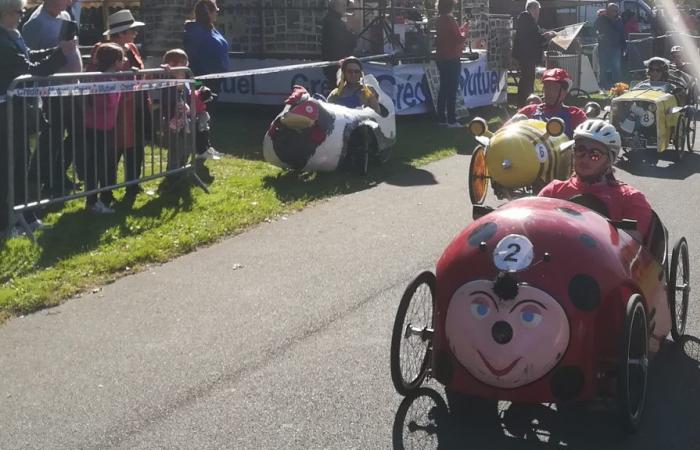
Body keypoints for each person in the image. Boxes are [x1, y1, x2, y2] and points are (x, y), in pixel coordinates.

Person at [0, 0, 74, 235]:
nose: (22, 16)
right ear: (4, 13)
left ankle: (25, 216)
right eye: (18, 12)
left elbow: (31, 55)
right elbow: (29, 70)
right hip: (8, 113)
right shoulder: (3, 41)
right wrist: (60, 54)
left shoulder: (12, 35)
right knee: (8, 168)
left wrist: (57, 50)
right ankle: (5, 223)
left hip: (21, 111)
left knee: (21, 164)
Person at [539, 119, 652, 241]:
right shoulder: (553, 191)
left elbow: (630, 249)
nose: (585, 158)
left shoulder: (631, 199)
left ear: (609, 160)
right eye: (580, 150)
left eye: (595, 154)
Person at [22, 0, 83, 197]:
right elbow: (28, 61)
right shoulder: (34, 24)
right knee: (52, 137)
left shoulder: (66, 17)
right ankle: (44, 180)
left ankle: (59, 174)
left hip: (70, 88)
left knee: (75, 133)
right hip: (50, 92)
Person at [95, 9, 151, 203]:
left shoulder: (132, 48)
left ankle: (133, 184)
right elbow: (95, 76)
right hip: (114, 109)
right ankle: (107, 191)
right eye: (130, 30)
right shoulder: (102, 49)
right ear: (119, 33)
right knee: (112, 150)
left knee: (135, 147)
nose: (134, 34)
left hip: (134, 106)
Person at [82, 42, 124, 214]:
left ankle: (100, 198)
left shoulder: (113, 77)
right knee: (95, 164)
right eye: (121, 59)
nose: (124, 63)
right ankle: (92, 201)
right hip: (96, 127)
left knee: (102, 162)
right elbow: (105, 103)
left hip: (106, 126)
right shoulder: (101, 79)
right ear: (115, 62)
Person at [183, 0, 228, 160]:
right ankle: (200, 149)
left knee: (208, 112)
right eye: (215, 10)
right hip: (201, 79)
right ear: (207, 12)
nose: (217, 12)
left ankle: (205, 146)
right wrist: (199, 81)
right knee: (201, 111)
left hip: (215, 79)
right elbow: (193, 55)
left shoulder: (211, 29)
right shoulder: (195, 31)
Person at [507, 68, 587, 138]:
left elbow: (587, 143)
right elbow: (504, 131)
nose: (549, 92)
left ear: (564, 92)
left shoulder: (576, 114)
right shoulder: (530, 110)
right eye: (547, 87)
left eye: (554, 88)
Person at [512, 0, 555, 107]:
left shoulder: (530, 20)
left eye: (538, 10)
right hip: (526, 55)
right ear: (531, 8)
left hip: (528, 55)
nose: (538, 12)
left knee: (528, 79)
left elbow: (533, 36)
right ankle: (524, 103)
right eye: (537, 10)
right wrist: (545, 36)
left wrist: (544, 34)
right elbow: (532, 37)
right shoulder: (525, 17)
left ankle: (526, 102)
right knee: (527, 79)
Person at [434, 0, 467, 128]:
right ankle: (452, 120)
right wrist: (464, 31)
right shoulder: (450, 20)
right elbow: (459, 38)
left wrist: (460, 31)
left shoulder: (438, 20)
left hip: (441, 57)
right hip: (452, 57)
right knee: (452, 90)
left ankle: (441, 118)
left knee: (443, 88)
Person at [321, 0, 357, 90]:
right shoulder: (335, 23)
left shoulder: (332, 20)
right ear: (335, 6)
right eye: (343, 5)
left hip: (335, 62)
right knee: (339, 89)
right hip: (337, 63)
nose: (345, 7)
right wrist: (351, 32)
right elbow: (347, 42)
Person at [595, 3, 626, 89]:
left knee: (616, 67)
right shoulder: (601, 19)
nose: (616, 13)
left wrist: (624, 46)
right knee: (603, 67)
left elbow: (622, 33)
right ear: (608, 11)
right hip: (604, 47)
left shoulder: (619, 20)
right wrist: (598, 35)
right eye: (614, 11)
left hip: (616, 47)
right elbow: (594, 29)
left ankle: (618, 86)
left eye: (617, 11)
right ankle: (603, 85)